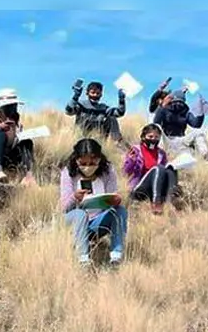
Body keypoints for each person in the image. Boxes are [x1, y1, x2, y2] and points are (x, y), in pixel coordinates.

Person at [59, 139, 128, 267]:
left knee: (120, 211)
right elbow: (63, 207)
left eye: (93, 162)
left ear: (99, 159)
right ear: (76, 159)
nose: (88, 166)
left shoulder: (108, 172)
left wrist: (115, 201)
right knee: (80, 214)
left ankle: (116, 257)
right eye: (83, 163)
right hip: (74, 222)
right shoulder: (67, 173)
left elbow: (112, 196)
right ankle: (83, 259)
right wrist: (75, 198)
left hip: (98, 221)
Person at [123, 124, 179, 215]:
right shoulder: (135, 150)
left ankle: (171, 202)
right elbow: (126, 171)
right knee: (159, 168)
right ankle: (156, 203)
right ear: (143, 137)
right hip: (139, 188)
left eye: (156, 137)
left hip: (157, 187)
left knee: (171, 169)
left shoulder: (161, 153)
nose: (153, 139)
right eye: (150, 136)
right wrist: (131, 160)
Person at [0, 88, 35, 186]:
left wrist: (17, 135)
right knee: (0, 135)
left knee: (27, 141)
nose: (12, 110)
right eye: (9, 107)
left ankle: (28, 175)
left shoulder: (16, 120)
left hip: (10, 152)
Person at [151, 88, 208, 160]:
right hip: (167, 140)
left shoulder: (185, 112)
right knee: (157, 127)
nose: (178, 104)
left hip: (181, 140)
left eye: (181, 102)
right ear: (172, 100)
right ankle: (158, 156)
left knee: (198, 132)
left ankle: (206, 156)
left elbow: (196, 124)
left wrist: (201, 112)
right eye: (176, 102)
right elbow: (155, 124)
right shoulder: (163, 110)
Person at [65, 79, 129, 147]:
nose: (95, 95)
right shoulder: (81, 105)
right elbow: (68, 111)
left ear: (101, 94)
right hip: (81, 138)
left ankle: (118, 141)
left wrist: (121, 99)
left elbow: (120, 113)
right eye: (93, 92)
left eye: (98, 93)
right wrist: (75, 96)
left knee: (112, 118)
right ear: (87, 93)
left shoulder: (103, 108)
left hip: (98, 141)